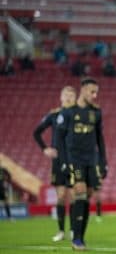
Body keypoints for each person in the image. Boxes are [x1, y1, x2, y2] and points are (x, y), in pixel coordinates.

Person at [56, 77, 108, 251]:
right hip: (74, 159)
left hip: (91, 160)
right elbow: (59, 139)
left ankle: (81, 237)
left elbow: (100, 139)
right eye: (92, 91)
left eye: (96, 92)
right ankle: (75, 238)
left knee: (88, 196)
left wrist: (103, 162)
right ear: (83, 90)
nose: (94, 95)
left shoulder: (96, 113)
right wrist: (63, 162)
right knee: (79, 191)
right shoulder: (68, 113)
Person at [33, 86, 77, 241]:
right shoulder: (54, 115)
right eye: (66, 94)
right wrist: (45, 149)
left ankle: (73, 230)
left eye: (72, 95)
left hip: (74, 161)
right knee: (60, 196)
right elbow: (36, 132)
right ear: (61, 97)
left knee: (73, 196)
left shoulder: (79, 115)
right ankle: (60, 231)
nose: (69, 97)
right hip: (58, 162)